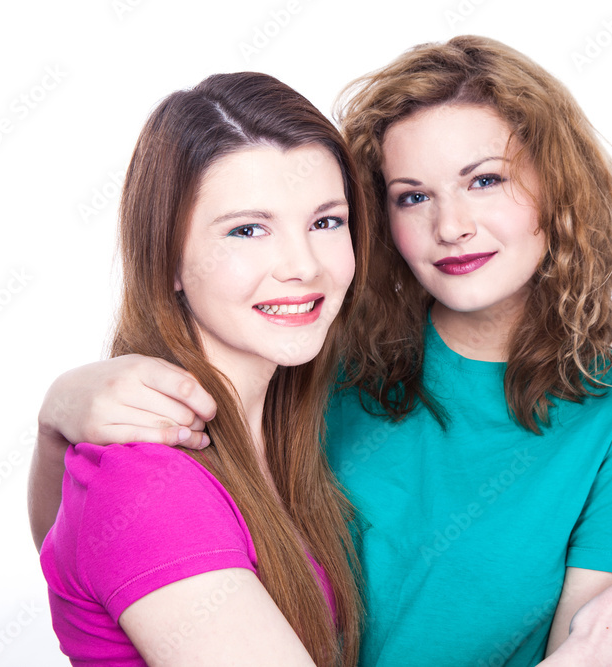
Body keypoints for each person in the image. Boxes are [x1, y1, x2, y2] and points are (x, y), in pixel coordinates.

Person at [31, 37, 612, 666]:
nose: (453, 225)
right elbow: (108, 546)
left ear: (560, 190)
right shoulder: (319, 368)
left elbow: (102, 554)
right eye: (413, 196)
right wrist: (60, 414)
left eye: (486, 180)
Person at [36, 71, 368, 666]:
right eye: (248, 229)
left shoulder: (289, 425)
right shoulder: (145, 481)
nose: (303, 266)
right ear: (169, 260)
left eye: (325, 221)